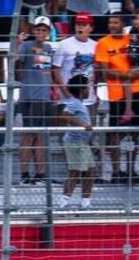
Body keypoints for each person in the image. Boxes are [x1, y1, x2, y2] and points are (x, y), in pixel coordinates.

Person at [95, 13, 139, 183]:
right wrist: (124, 77)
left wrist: (135, 72)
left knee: (135, 132)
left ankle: (131, 169)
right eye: (110, 23)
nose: (112, 25)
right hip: (116, 93)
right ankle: (116, 171)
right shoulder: (103, 43)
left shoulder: (131, 39)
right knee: (114, 132)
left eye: (115, 22)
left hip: (135, 91)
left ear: (122, 23)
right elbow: (104, 70)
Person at [17, 15, 55, 184]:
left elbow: (48, 71)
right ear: (33, 30)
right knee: (29, 135)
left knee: (40, 135)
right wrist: (17, 44)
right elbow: (16, 61)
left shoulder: (48, 47)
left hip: (44, 97)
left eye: (44, 30)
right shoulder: (26, 46)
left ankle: (40, 173)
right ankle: (24, 173)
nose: (40, 32)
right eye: (38, 29)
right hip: (30, 96)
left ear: (48, 32)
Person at [57, 74, 95, 208]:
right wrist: (82, 124)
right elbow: (65, 116)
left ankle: (86, 201)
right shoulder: (73, 103)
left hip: (83, 143)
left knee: (90, 171)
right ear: (81, 89)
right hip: (74, 142)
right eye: (87, 88)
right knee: (75, 171)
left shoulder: (81, 104)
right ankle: (64, 201)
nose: (89, 90)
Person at [52, 11, 96, 103]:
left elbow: (97, 72)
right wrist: (64, 91)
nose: (80, 27)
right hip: (67, 99)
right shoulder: (64, 44)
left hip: (89, 98)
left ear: (91, 28)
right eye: (78, 24)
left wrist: (95, 93)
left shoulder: (96, 45)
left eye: (84, 24)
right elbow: (55, 69)